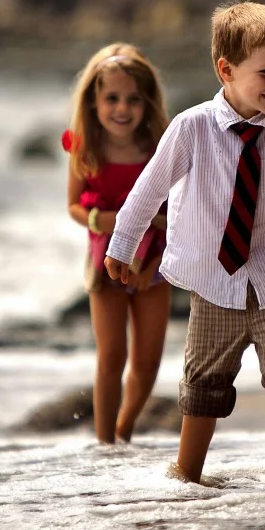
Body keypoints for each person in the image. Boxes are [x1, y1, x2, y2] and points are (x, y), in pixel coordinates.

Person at [104, 2, 265, 493]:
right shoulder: (191, 128)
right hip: (214, 282)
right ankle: (188, 479)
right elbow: (148, 188)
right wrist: (123, 244)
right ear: (226, 69)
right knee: (204, 383)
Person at [65, 43, 172, 444]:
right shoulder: (86, 148)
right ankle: (104, 444)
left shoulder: (158, 148)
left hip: (154, 261)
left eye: (132, 99)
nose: (121, 108)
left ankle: (123, 432)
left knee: (146, 362)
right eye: (111, 98)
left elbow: (176, 211)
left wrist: (154, 257)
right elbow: (74, 205)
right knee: (111, 357)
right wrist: (104, 220)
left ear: (147, 103)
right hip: (103, 259)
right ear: (93, 102)